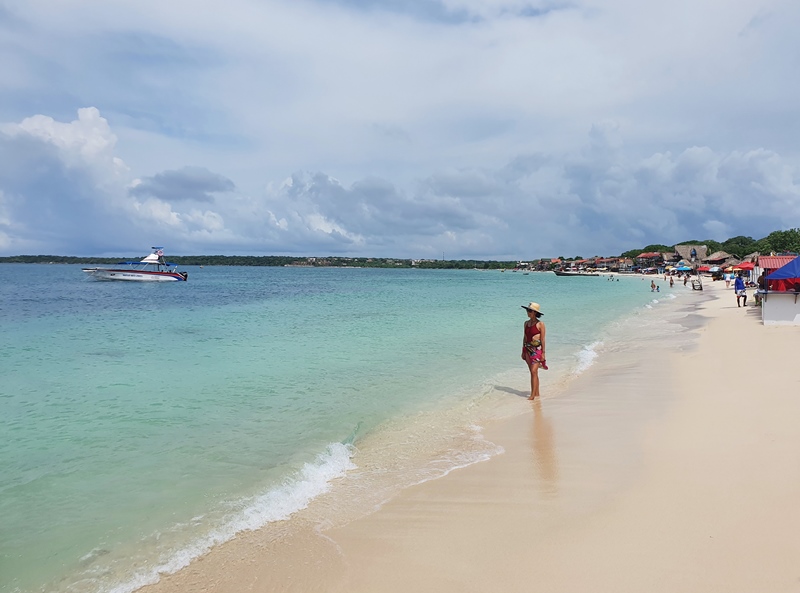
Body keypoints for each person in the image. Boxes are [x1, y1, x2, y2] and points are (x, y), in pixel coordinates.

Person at [521, 302, 547, 400]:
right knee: (533, 373)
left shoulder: (540, 324)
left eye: (530, 310)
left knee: (533, 371)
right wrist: (522, 351)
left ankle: (532, 395)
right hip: (527, 349)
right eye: (527, 310)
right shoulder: (526, 323)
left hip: (537, 350)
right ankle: (537, 393)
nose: (528, 312)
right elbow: (525, 337)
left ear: (535, 312)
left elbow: (543, 339)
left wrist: (543, 353)